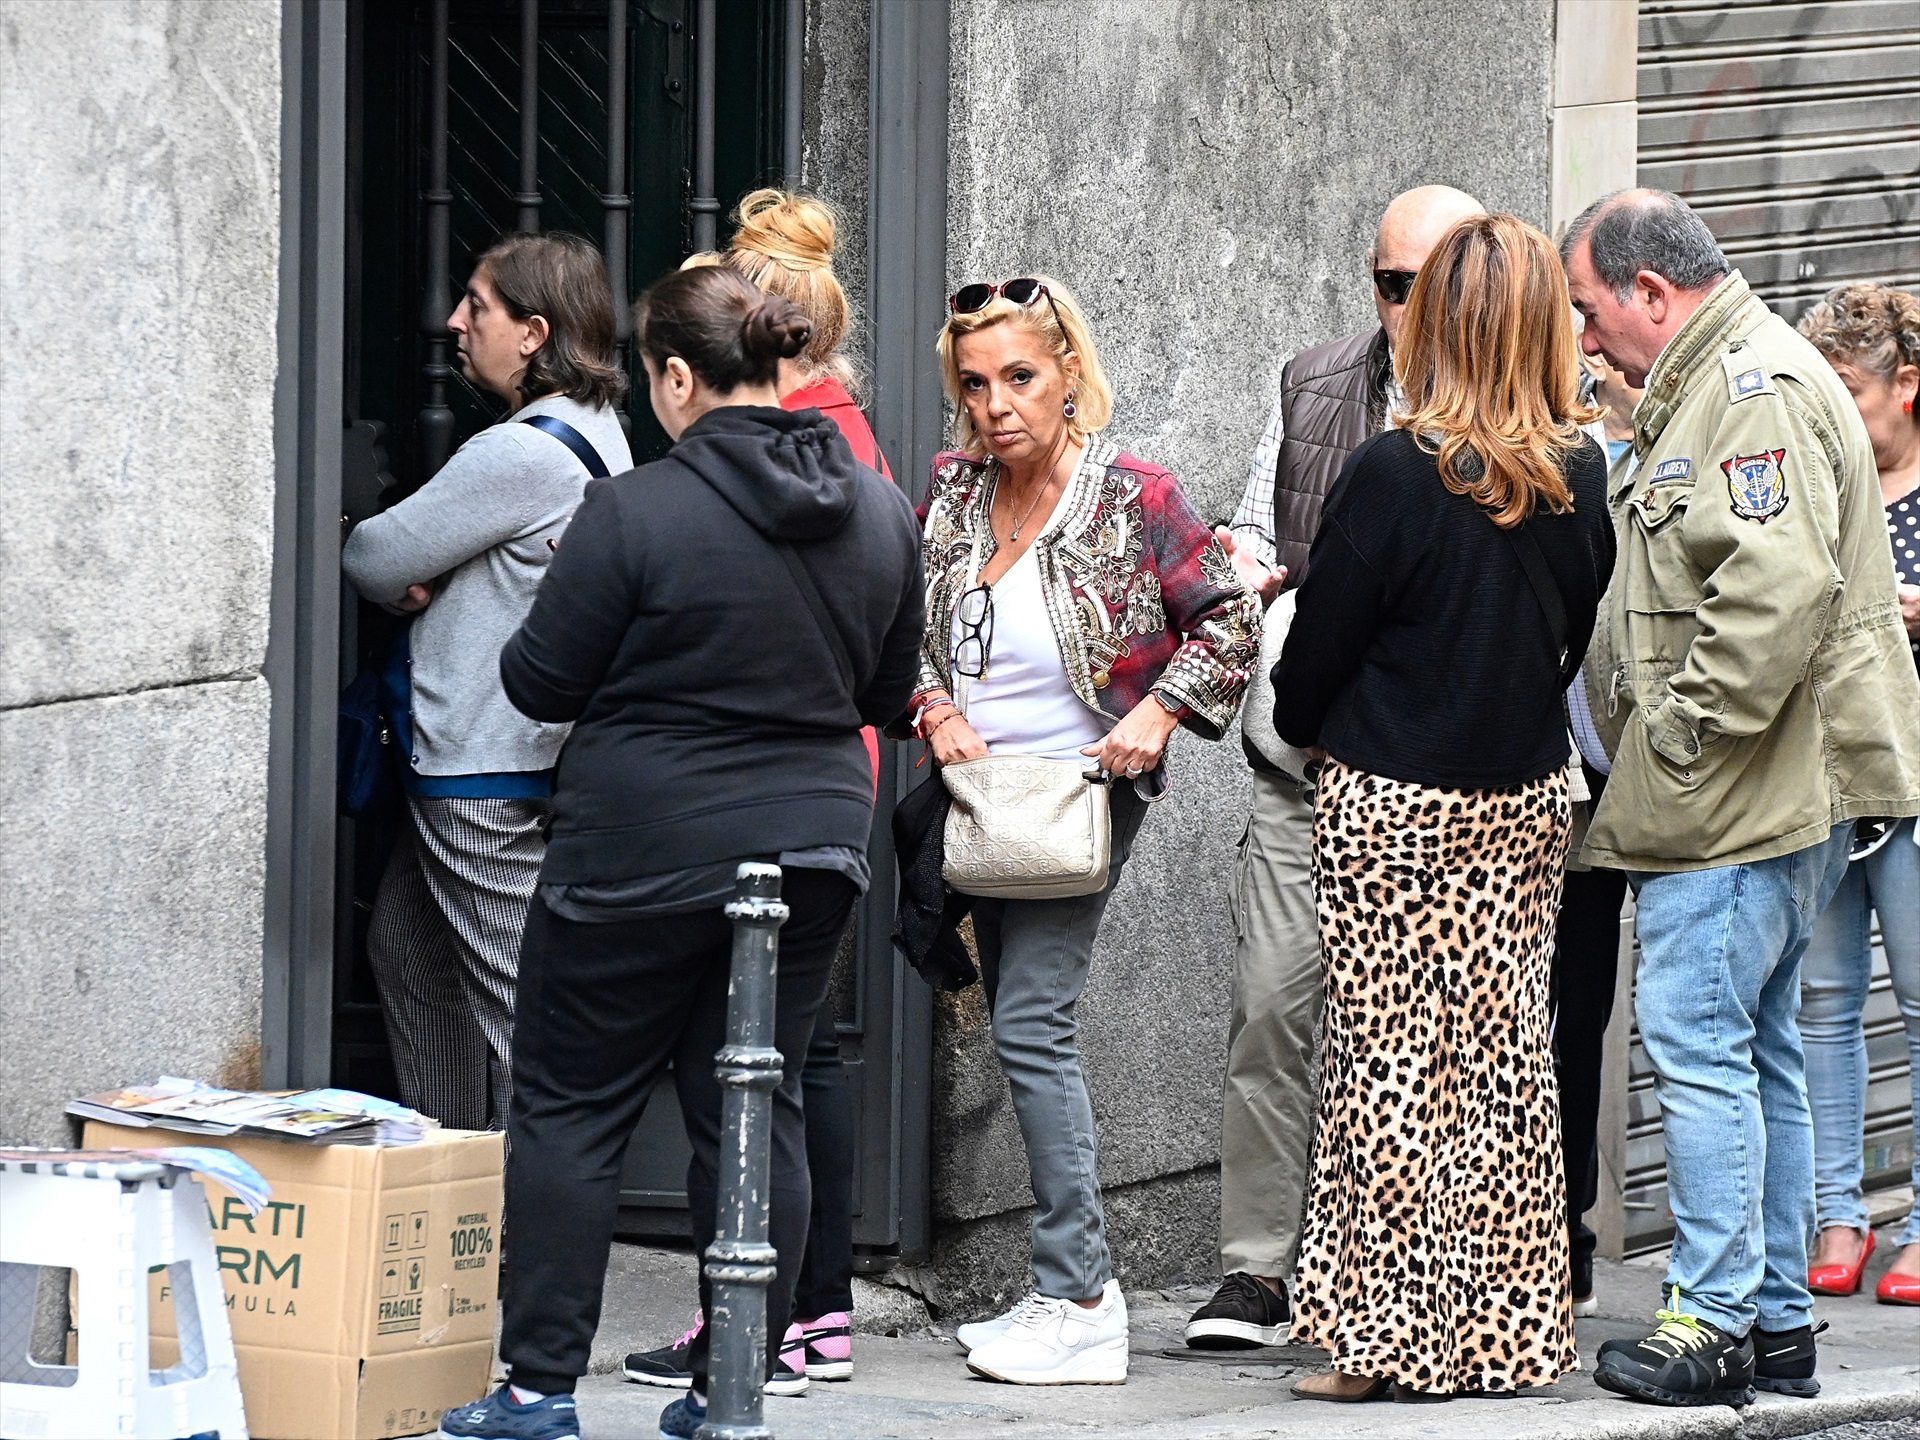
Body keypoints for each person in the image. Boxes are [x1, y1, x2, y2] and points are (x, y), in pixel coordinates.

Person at [437, 266, 925, 1440]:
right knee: (754, 1108)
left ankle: (539, 1389)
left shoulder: (636, 509)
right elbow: (887, 694)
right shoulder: (879, 510)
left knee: (571, 1107)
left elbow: (539, 680)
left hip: (637, 847)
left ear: (672, 376)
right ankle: (733, 1388)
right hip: (811, 844)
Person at [1563, 190, 1920, 1406]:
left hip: (1733, 798)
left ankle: (1709, 1317)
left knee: (1701, 1048)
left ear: (1650, 292)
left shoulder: (1747, 388)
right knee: (1759, 1046)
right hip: (1772, 793)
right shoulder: (1738, 373)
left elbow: (1768, 595)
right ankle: (1774, 1321)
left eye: (1591, 310)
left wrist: (1673, 741)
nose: (1588, 339)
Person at [1272, 213, 1612, 1402]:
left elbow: (1311, 659)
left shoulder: (1390, 472)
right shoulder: (1582, 473)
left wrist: (1317, 719)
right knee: (1508, 1064)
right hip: (1523, 798)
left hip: (1392, 801)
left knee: (1389, 1070)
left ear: (1445, 325)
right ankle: (1508, 1338)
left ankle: (1387, 1347)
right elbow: (1567, 644)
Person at [907, 275, 1259, 1386]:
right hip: (981, 803)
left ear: (1068, 374)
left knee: (1030, 1026)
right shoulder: (956, 493)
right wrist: (936, 706)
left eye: (1020, 376)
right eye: (976, 384)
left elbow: (1231, 615)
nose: (998, 403)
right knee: (1019, 1021)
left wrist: (1158, 714)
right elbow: (907, 629)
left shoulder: (1129, 493)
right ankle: (1065, 1287)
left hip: (1076, 797)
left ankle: (1081, 1296)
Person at [1189, 183, 1485, 1348]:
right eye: (1389, 282)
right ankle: (1258, 1269)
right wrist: (1247, 576)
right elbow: (1260, 530)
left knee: (1426, 1040)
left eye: (1432, 281)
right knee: (1272, 1011)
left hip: (1443, 778)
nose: (1407, 306)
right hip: (1306, 760)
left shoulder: (1526, 399)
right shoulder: (1317, 382)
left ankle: (1407, 1285)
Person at [622, 188, 883, 1393]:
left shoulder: (801, 435)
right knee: (797, 1054)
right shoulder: (845, 433)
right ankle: (807, 1313)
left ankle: (773, 1317)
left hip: (766, 778)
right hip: (830, 783)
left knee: (763, 1063)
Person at [341, 231, 631, 1131]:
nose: (453, 321)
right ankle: (455, 1190)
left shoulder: (523, 453)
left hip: (484, 771)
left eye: (478, 305)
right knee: (409, 956)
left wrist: (411, 573)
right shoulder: (593, 432)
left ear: (535, 332)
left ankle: (524, 1233)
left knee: (523, 1017)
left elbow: (375, 552)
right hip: (497, 758)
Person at [1794, 282, 1920, 1307]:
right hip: (1827, 775)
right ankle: (1838, 1213)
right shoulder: (1819, 478)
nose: (1830, 409)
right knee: (1824, 1001)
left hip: (1918, 780)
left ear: (1905, 385)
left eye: (1845, 389)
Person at [1553, 348, 1642, 1318]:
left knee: (1583, 1012)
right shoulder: (1551, 462)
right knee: (1537, 1014)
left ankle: (1569, 1228)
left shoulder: (1645, 461)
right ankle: (1548, 1231)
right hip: (1546, 778)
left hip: (1624, 777)